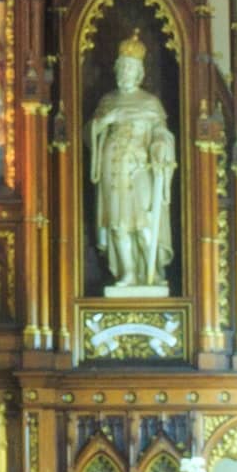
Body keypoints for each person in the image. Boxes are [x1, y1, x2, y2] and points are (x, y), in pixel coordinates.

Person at [88, 37, 177, 294]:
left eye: (130, 68)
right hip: (112, 170)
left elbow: (161, 132)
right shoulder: (108, 102)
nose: (125, 73)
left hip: (140, 169)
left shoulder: (150, 103)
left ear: (139, 73)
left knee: (144, 222)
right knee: (118, 224)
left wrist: (160, 145)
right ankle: (127, 273)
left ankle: (152, 272)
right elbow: (89, 133)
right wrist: (105, 121)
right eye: (122, 67)